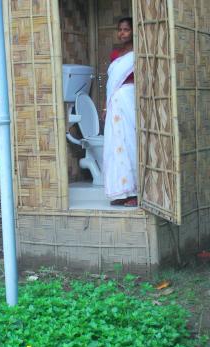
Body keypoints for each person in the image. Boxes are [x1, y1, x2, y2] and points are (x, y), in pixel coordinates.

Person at [103, 17, 137, 207]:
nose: (122, 33)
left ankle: (135, 192)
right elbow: (111, 84)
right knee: (115, 145)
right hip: (115, 104)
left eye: (126, 29)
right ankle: (121, 191)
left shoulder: (137, 53)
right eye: (120, 29)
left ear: (133, 32)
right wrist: (106, 107)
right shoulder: (116, 54)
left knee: (130, 143)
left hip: (129, 102)